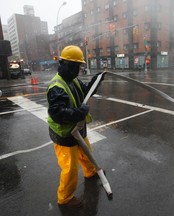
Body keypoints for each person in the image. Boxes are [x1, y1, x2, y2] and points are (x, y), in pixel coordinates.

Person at [46, 45, 104, 208]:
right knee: (70, 168)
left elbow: (85, 92)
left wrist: (95, 82)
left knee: (87, 153)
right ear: (65, 65)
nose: (78, 70)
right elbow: (58, 114)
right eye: (75, 66)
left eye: (78, 66)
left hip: (78, 130)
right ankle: (64, 198)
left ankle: (91, 172)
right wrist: (78, 113)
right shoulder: (57, 87)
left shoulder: (72, 80)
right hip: (65, 134)